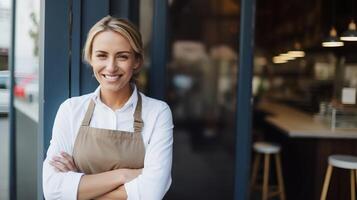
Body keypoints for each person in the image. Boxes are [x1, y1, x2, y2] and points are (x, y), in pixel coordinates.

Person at [43, 15, 174, 200]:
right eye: (102, 55)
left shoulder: (157, 113)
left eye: (122, 56)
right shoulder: (71, 110)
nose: (111, 67)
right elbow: (53, 191)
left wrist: (79, 188)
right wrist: (124, 175)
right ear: (91, 59)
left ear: (136, 61)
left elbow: (151, 193)